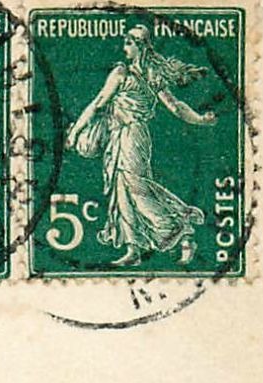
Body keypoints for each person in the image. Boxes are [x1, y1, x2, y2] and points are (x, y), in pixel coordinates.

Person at [66, 25, 215, 267]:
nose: (124, 47)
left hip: (132, 135)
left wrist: (74, 131)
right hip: (120, 135)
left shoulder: (128, 74)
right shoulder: (137, 74)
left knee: (135, 186)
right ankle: (133, 248)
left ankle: (176, 226)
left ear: (139, 46)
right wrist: (199, 119)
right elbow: (101, 103)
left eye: (128, 42)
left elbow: (98, 103)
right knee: (122, 190)